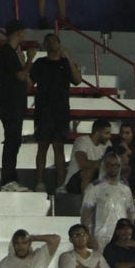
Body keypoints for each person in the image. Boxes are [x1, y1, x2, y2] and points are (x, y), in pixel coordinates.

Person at [31, 31, 81, 191]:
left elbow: (77, 80)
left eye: (54, 41)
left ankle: (61, 183)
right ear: (45, 45)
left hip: (61, 112)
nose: (52, 44)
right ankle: (40, 182)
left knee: (59, 148)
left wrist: (70, 58)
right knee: (42, 147)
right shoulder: (39, 63)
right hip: (43, 111)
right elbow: (29, 82)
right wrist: (26, 60)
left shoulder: (66, 63)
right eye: (48, 41)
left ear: (59, 44)